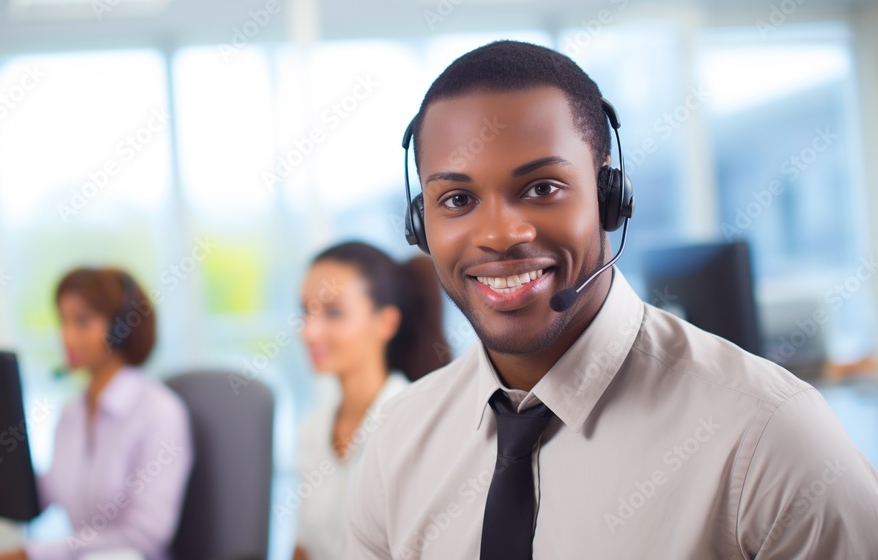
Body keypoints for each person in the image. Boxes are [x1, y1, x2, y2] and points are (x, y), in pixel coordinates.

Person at [343, 41, 878, 559]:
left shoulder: (769, 437)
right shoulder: (398, 440)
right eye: (457, 199)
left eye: (541, 188)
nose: (500, 234)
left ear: (609, 198)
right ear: (420, 224)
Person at [0, 267, 193, 560]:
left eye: (82, 321)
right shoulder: (72, 412)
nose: (66, 336)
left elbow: (143, 537)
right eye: (63, 321)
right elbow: (44, 494)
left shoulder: (160, 412)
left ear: (122, 328)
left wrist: (25, 555)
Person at [292, 242, 448, 560]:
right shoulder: (313, 428)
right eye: (306, 311)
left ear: (386, 322)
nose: (310, 332)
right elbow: (303, 548)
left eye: (333, 312)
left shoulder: (415, 425)